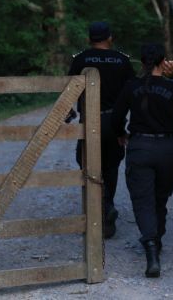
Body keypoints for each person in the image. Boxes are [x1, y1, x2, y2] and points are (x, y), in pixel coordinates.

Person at [112, 43, 173, 278]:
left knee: (142, 199)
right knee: (160, 197)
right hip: (166, 148)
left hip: (140, 147)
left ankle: (151, 246)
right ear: (162, 62)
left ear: (142, 62)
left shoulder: (131, 86)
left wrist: (120, 133)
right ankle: (156, 238)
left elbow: (116, 117)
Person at [67, 21, 135, 239]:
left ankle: (102, 208)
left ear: (89, 39)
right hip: (114, 121)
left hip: (89, 123)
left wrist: (70, 112)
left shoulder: (80, 59)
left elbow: (68, 91)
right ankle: (107, 207)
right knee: (112, 165)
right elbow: (134, 91)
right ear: (110, 38)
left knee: (85, 161)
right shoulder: (123, 60)